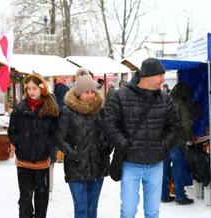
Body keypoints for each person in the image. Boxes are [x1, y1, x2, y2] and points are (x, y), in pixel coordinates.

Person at [104, 58, 180, 218]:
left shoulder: (165, 98)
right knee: (128, 211)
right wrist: (125, 145)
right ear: (146, 76)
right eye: (160, 75)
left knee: (152, 212)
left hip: (156, 164)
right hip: (130, 164)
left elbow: (175, 126)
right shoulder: (120, 96)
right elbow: (109, 124)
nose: (163, 79)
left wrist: (163, 146)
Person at [55, 74, 110, 218]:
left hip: (98, 166)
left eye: (93, 92)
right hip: (76, 168)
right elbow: (59, 138)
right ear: (78, 93)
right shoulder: (67, 112)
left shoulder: (100, 111)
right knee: (81, 210)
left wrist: (105, 148)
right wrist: (74, 154)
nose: (90, 95)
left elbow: (108, 134)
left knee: (92, 209)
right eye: (86, 92)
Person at [8, 73, 59, 218]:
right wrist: (21, 143)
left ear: (41, 89)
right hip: (23, 163)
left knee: (41, 201)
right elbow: (12, 131)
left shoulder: (49, 108)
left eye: (35, 88)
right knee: (25, 202)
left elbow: (56, 132)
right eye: (29, 88)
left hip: (42, 163)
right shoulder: (19, 109)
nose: (31, 91)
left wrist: (46, 146)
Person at [161, 82, 196, 205]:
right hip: (177, 141)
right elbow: (187, 124)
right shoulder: (181, 104)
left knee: (164, 170)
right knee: (177, 170)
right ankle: (180, 196)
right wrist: (189, 138)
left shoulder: (165, 102)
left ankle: (164, 195)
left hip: (164, 141)